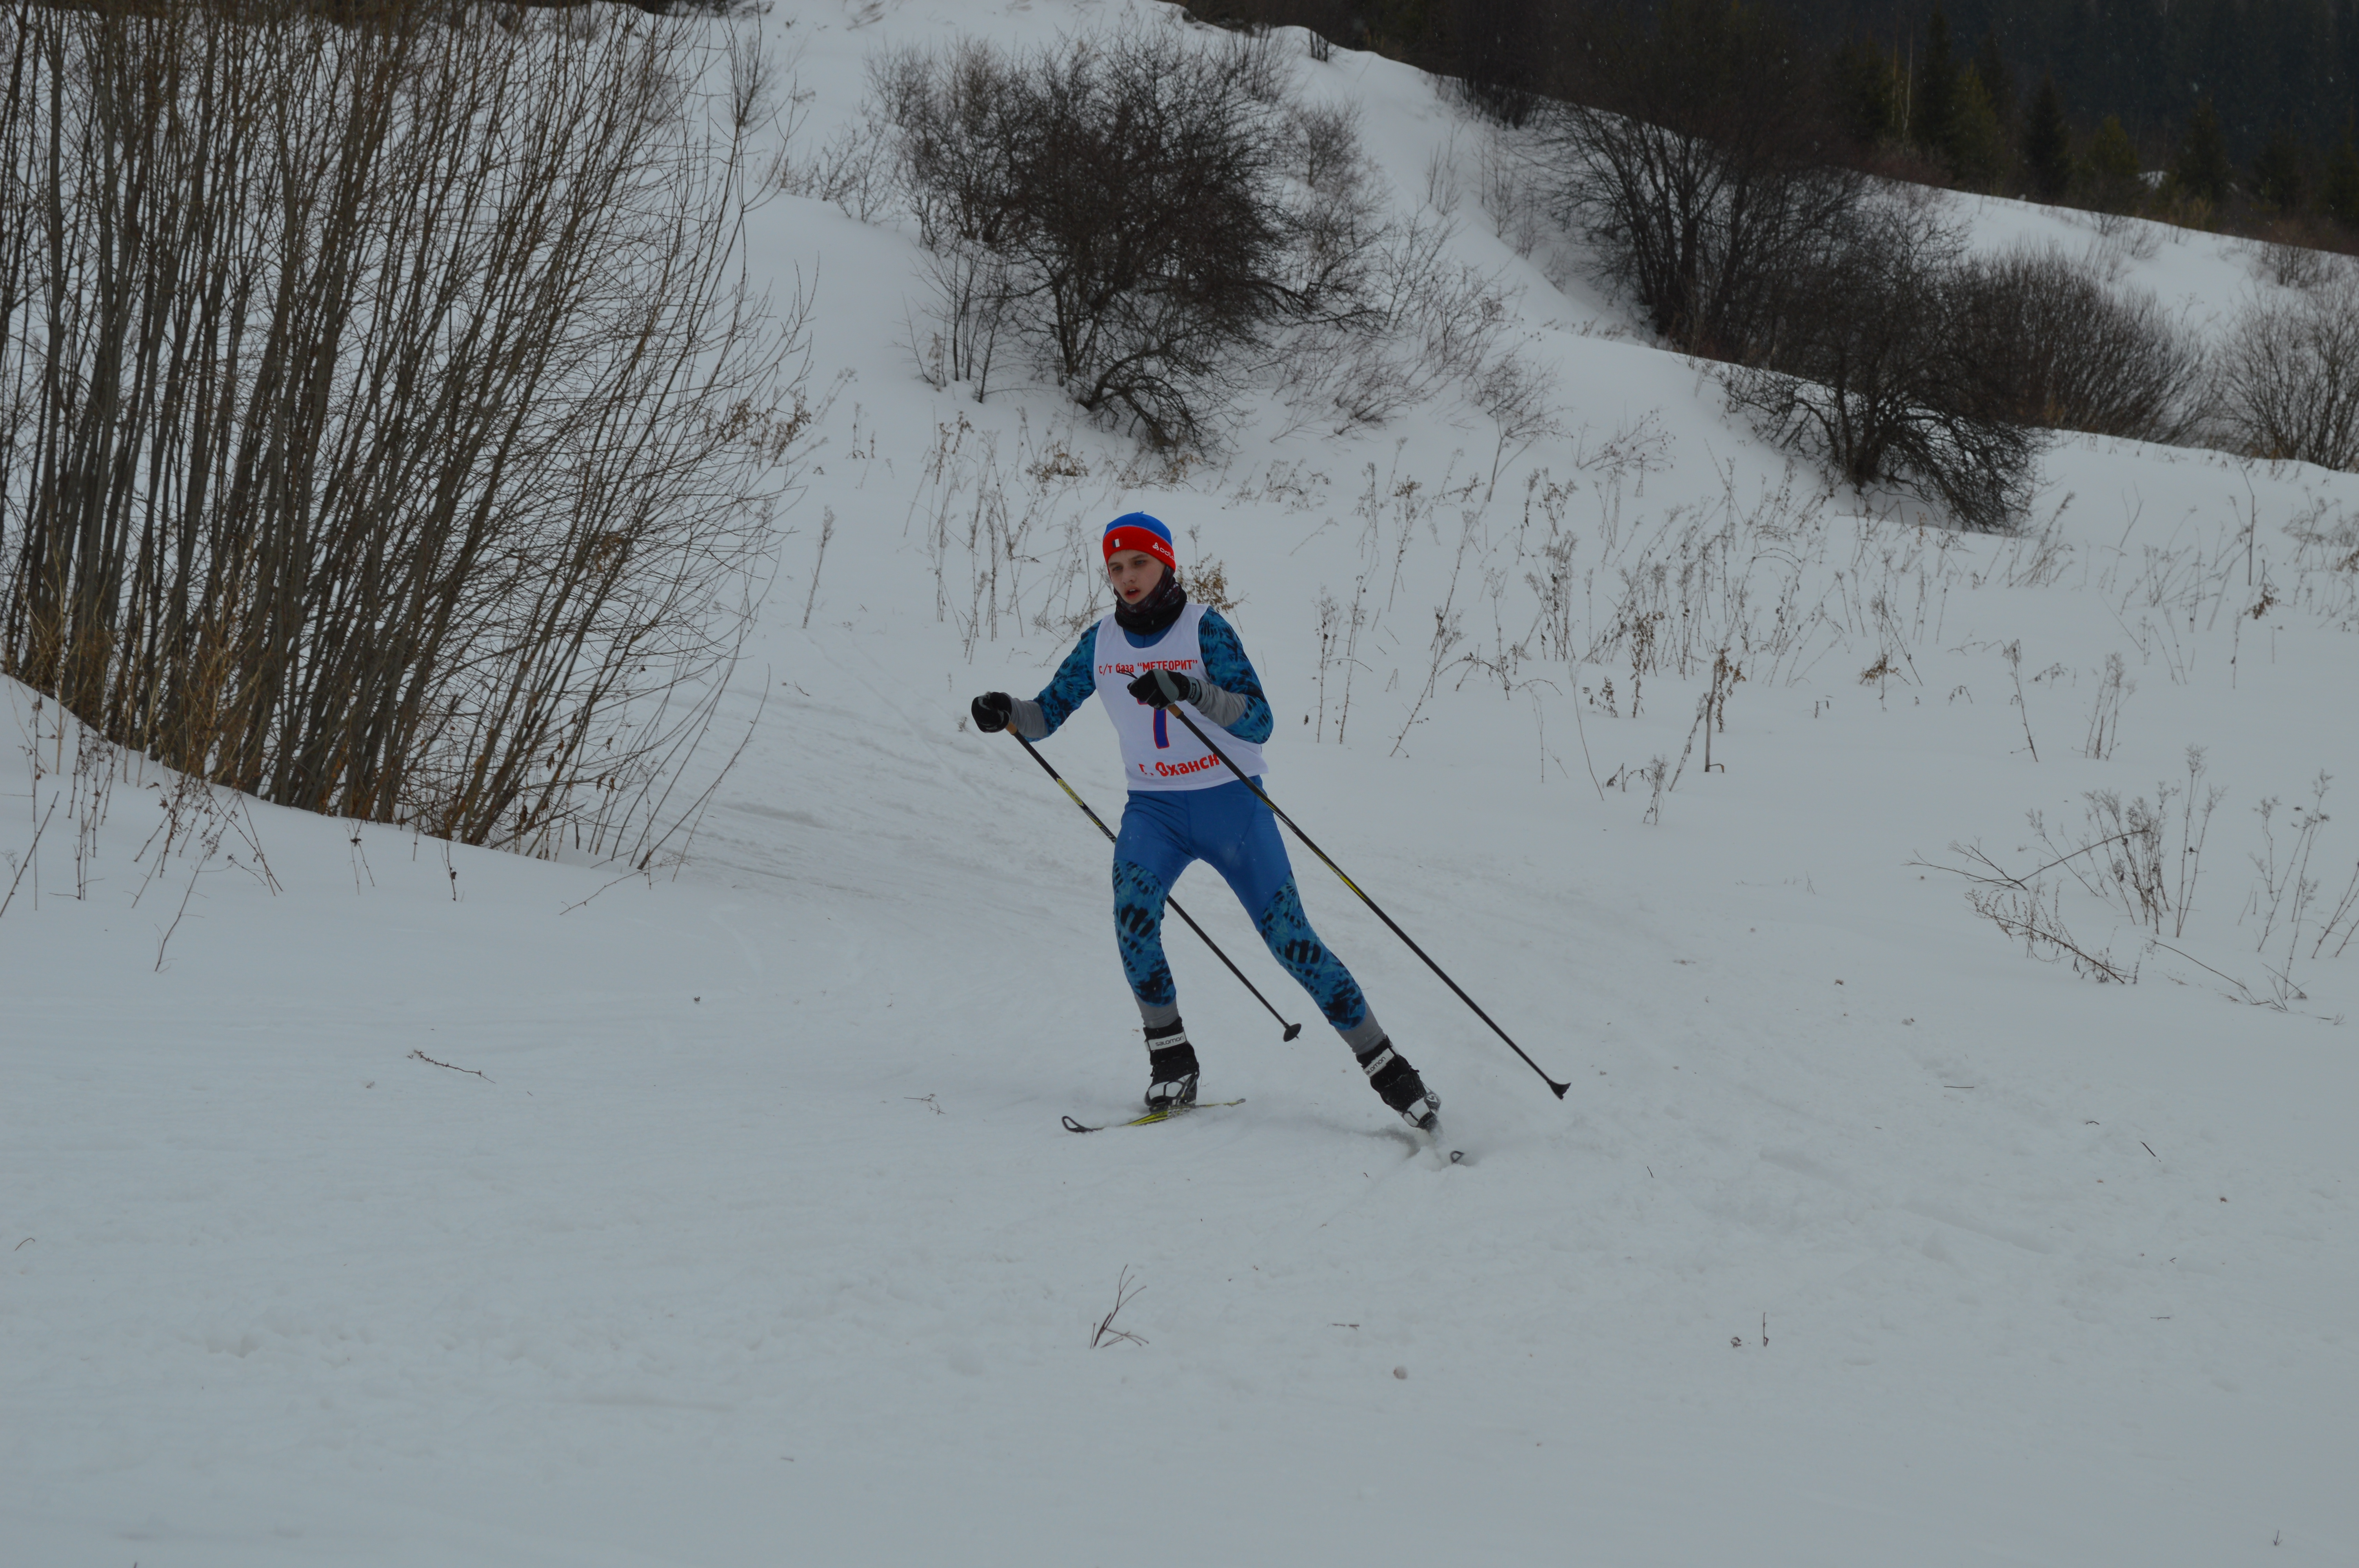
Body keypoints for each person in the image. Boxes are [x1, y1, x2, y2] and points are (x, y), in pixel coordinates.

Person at [970, 512, 1440, 1132]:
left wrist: (1190, 691)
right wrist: (1007, 712)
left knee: (1291, 942)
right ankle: (1173, 1058)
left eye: (1139, 563)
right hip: (1155, 811)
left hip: (1232, 805)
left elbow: (1259, 720)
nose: (1127, 577)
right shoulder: (1101, 642)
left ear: (1166, 562)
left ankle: (1389, 1070)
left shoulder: (1205, 632)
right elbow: (1048, 714)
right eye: (1115, 568)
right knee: (1133, 917)